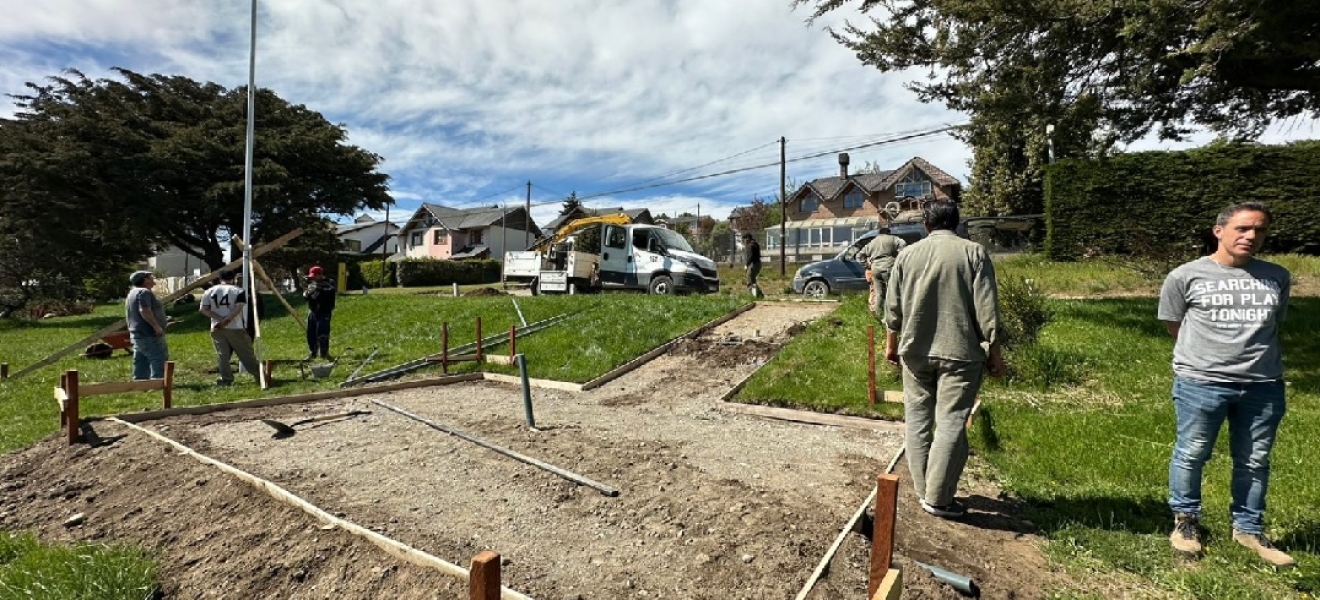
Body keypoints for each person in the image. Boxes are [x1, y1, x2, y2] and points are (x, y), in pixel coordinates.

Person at [1158, 202, 1294, 568]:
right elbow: (1175, 325)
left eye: (1260, 230)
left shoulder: (1276, 276)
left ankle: (1248, 528)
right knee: (1192, 452)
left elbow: (1272, 325)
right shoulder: (1185, 276)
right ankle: (1185, 523)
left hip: (1263, 385)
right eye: (1243, 229)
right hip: (1202, 383)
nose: (1251, 236)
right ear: (1219, 231)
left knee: (1255, 459)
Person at [884, 200, 1003, 519]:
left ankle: (925, 491)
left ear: (925, 225)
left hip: (915, 351)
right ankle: (937, 499)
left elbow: (892, 308)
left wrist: (890, 345)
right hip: (960, 353)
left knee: (917, 420)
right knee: (951, 420)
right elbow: (987, 310)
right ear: (957, 223)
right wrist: (995, 353)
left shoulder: (907, 255)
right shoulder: (973, 253)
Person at [200, 269, 260, 386]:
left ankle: (226, 379)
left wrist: (219, 318)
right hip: (235, 327)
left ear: (219, 279)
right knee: (245, 353)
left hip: (216, 327)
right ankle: (259, 376)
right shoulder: (238, 291)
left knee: (222, 355)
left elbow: (204, 309)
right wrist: (227, 320)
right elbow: (238, 308)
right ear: (233, 278)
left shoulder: (209, 291)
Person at [125, 271, 170, 380]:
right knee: (158, 357)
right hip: (149, 333)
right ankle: (158, 383)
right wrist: (157, 327)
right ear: (145, 280)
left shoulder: (132, 293)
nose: (153, 280)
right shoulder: (144, 292)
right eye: (151, 278)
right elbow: (144, 310)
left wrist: (163, 320)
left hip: (137, 332)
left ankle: (140, 383)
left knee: (141, 359)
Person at [857, 227, 907, 317]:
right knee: (891, 292)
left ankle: (877, 316)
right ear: (888, 233)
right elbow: (903, 244)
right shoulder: (892, 238)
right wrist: (899, 257)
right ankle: (892, 316)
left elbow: (859, 255)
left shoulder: (873, 242)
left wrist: (867, 265)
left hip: (875, 268)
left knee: (879, 294)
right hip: (888, 266)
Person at [303, 265, 337, 361]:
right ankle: (313, 353)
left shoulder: (329, 283)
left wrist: (317, 288)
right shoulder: (311, 284)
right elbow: (308, 297)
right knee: (311, 333)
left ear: (320, 275)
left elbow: (329, 291)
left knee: (323, 333)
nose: (313, 278)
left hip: (324, 311)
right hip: (313, 311)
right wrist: (307, 293)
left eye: (314, 276)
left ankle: (324, 353)